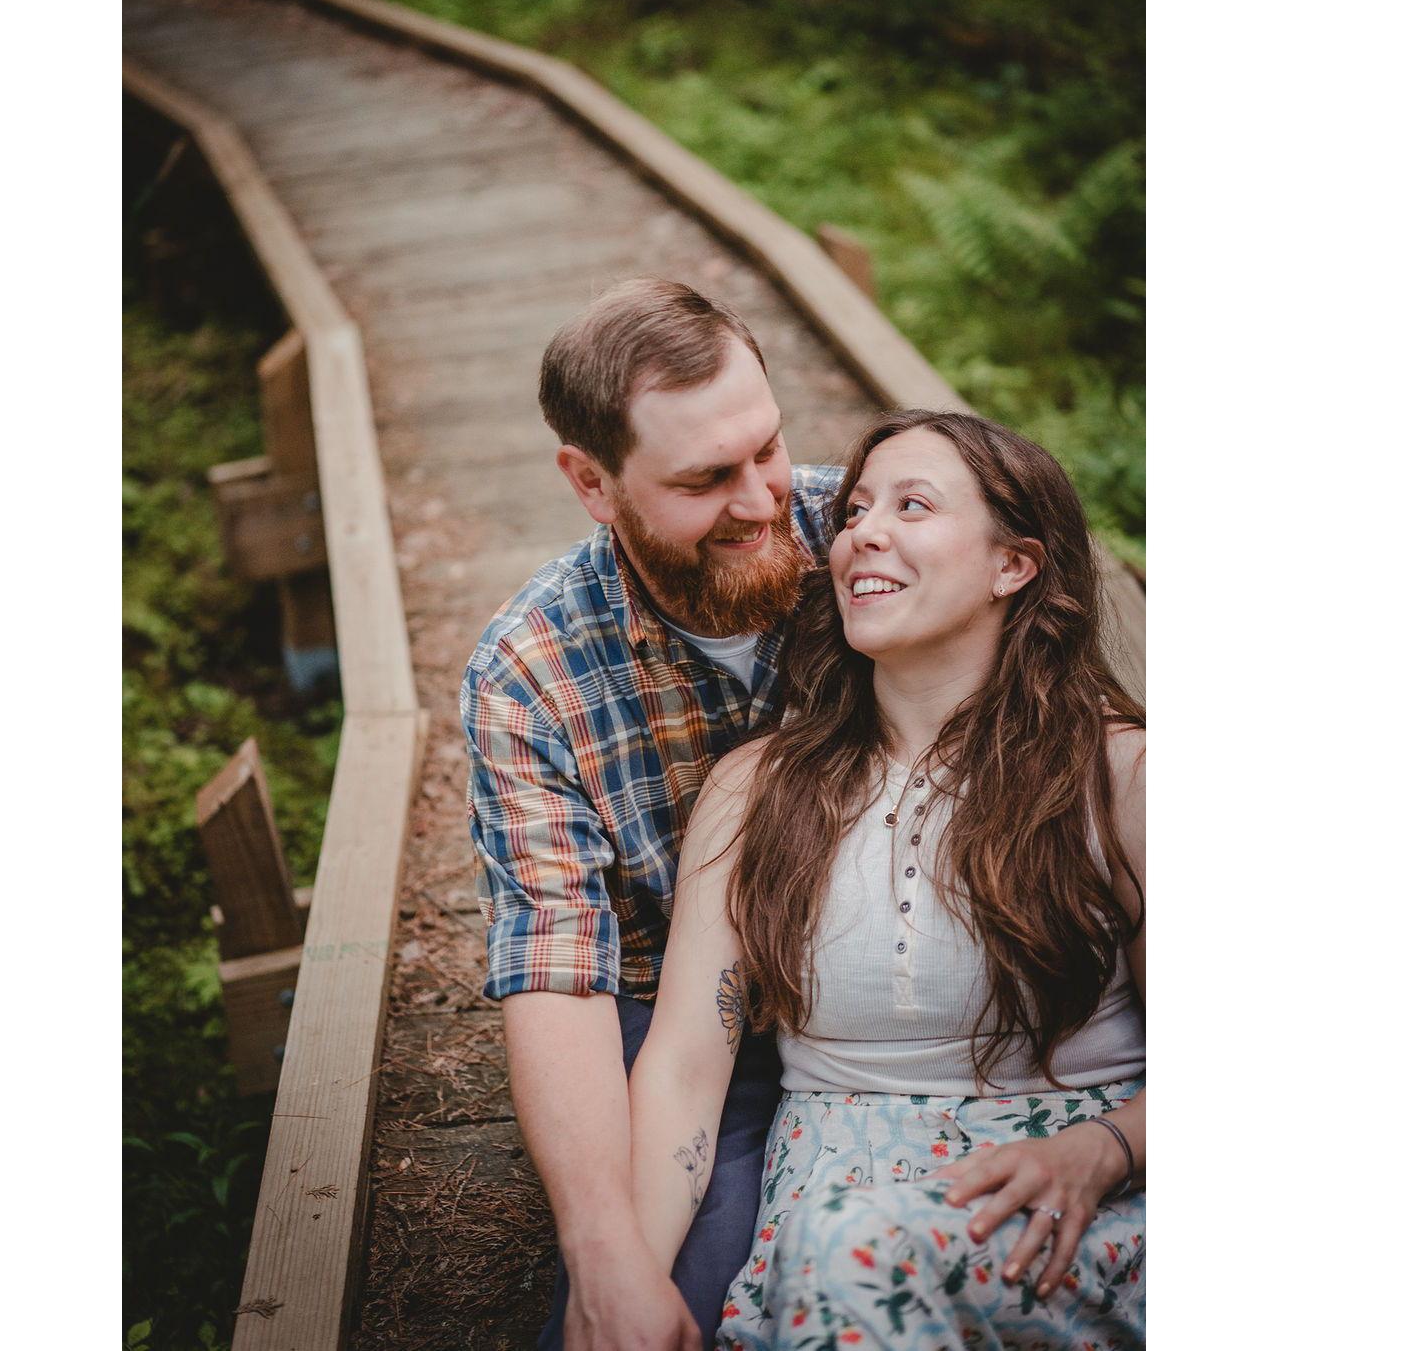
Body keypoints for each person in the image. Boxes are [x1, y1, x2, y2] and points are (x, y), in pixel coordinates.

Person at [628, 408, 1145, 1349]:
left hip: (1070, 1213)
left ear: (1012, 565)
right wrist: (626, 1275)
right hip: (829, 1230)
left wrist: (1098, 1152)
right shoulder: (757, 788)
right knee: (845, 1250)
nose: (862, 529)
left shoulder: (1120, 778)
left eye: (913, 505)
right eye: (858, 507)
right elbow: (683, 1069)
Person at [461, 278, 843, 1351]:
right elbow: (554, 962)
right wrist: (599, 1251)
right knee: (660, 1300)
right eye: (703, 479)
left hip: (894, 994)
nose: (762, 501)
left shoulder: (871, 544)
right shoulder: (529, 673)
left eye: (764, 448)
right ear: (591, 481)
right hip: (680, 1041)